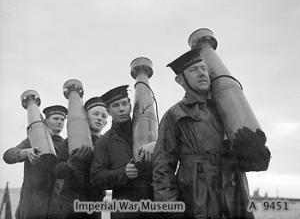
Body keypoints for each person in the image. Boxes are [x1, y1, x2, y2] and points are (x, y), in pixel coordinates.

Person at [152, 48, 271, 219]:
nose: (201, 73)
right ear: (180, 80)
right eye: (193, 70)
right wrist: (170, 209)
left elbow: (258, 165)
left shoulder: (230, 110)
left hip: (234, 195)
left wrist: (256, 152)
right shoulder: (174, 115)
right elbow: (163, 167)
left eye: (203, 68)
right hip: (195, 199)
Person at [90, 85, 157, 219]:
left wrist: (157, 145)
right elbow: (96, 178)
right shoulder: (104, 142)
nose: (121, 109)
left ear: (130, 106)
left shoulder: (150, 129)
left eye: (124, 104)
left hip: (155, 205)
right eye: (115, 105)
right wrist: (123, 173)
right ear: (109, 111)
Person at [3, 105, 67, 219]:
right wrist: (26, 152)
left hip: (55, 207)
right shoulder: (34, 139)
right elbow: (8, 155)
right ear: (46, 121)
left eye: (62, 119)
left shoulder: (65, 144)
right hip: (32, 206)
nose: (60, 122)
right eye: (55, 118)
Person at [48, 97, 108, 219]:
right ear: (86, 117)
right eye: (95, 114)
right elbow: (58, 171)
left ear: (106, 122)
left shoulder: (108, 144)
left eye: (103, 116)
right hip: (69, 204)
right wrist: (71, 164)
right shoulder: (70, 142)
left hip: (94, 205)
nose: (99, 118)